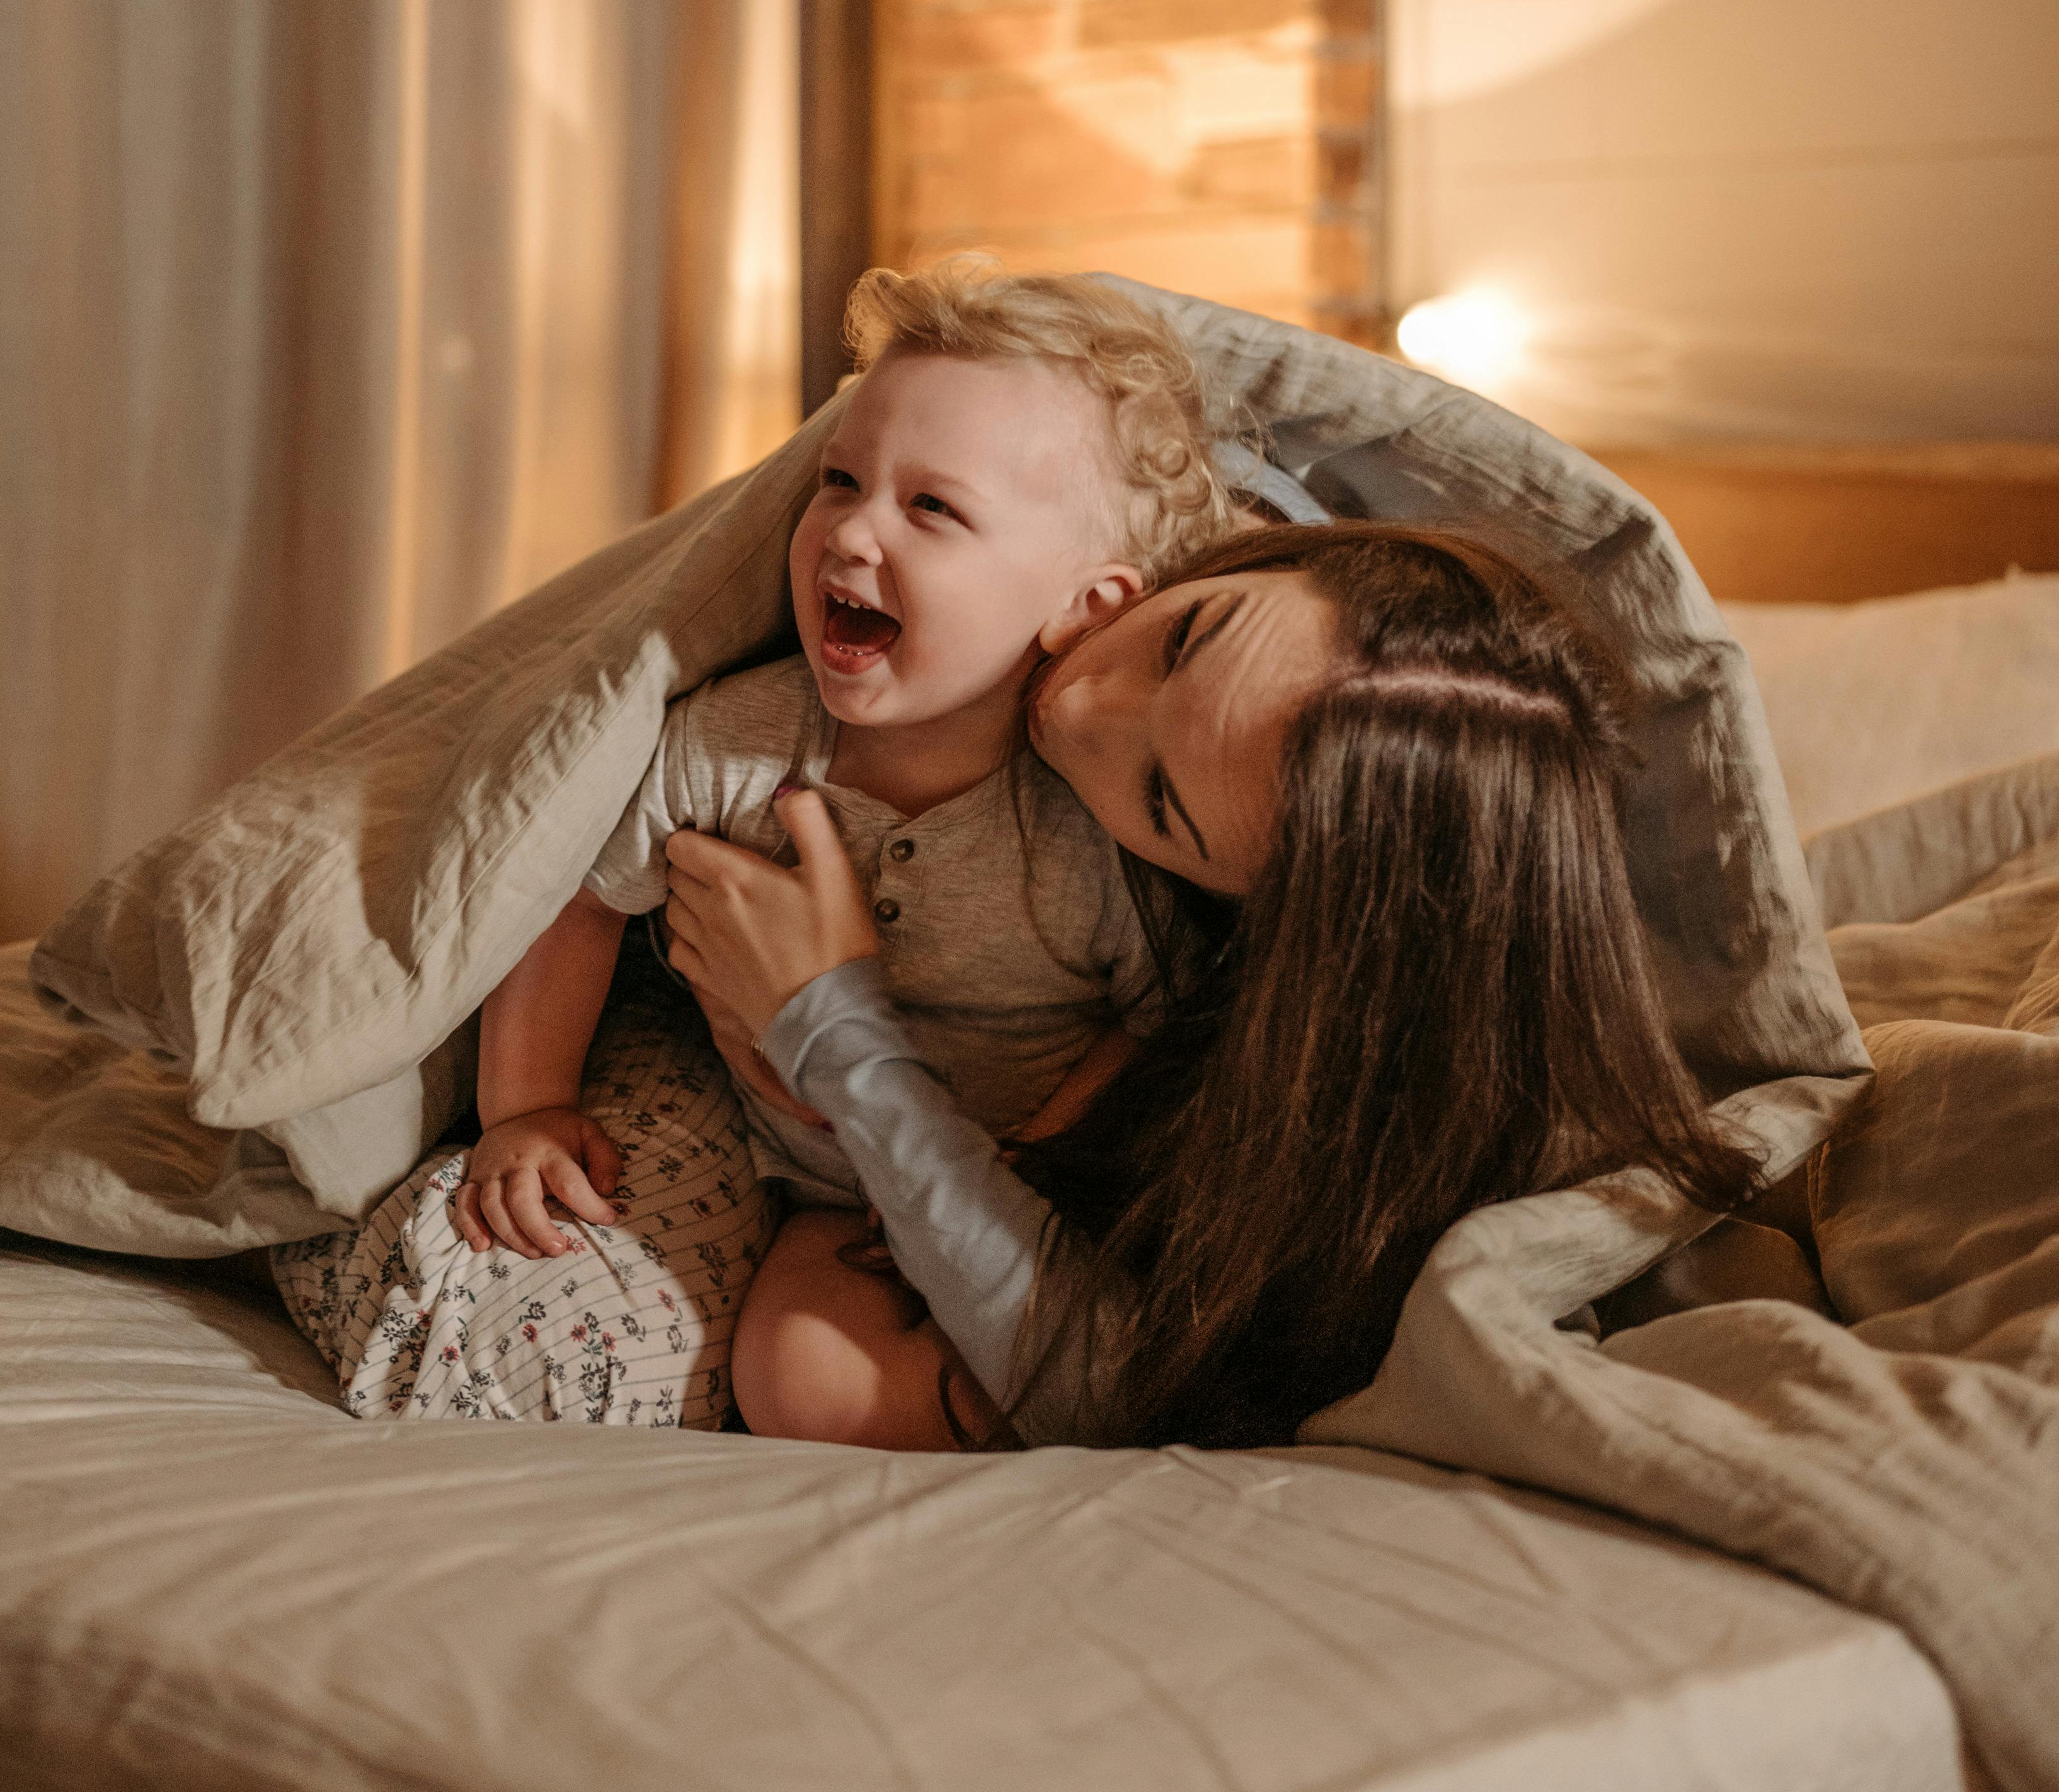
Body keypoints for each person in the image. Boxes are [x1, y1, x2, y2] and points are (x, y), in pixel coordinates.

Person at [272, 260, 1232, 1429]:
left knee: (906, 1376)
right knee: (724, 1350)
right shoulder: (730, 742)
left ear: (1085, 606)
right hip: (799, 1172)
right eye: (840, 480)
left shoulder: (1090, 825)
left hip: (989, 1183)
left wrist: (1030, 1167)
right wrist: (527, 1103)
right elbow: (579, 897)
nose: (850, 530)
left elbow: (1152, 1024)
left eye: (933, 508)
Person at [667, 520, 1765, 1454]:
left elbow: (1112, 1391)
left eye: (1157, 802)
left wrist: (838, 1031)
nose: (1078, 702)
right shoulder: (1094, 529)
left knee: (833, 1381)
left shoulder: (1298, 1034)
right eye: (1187, 638)